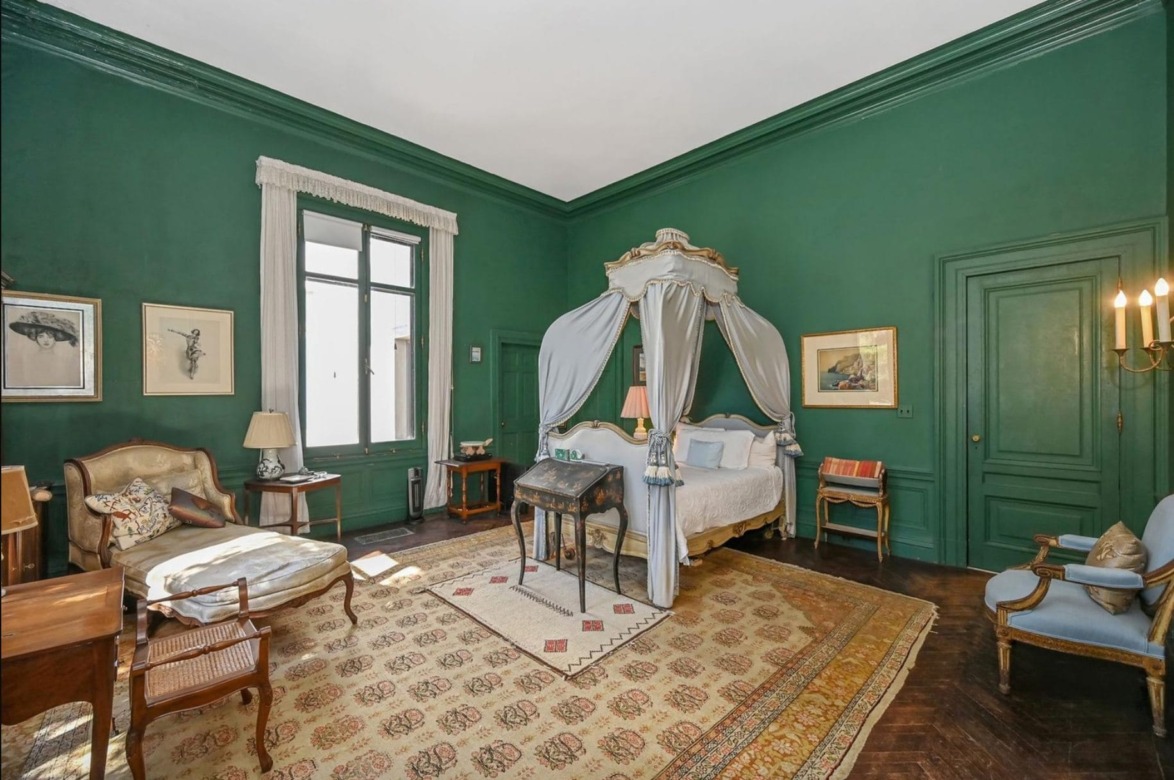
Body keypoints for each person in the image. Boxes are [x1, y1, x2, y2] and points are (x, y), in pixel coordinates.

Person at [6, 309, 82, 388]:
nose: (46, 340)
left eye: (50, 337)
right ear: (35, 337)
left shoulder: (63, 361)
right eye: (41, 336)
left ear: (55, 338)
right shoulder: (29, 360)